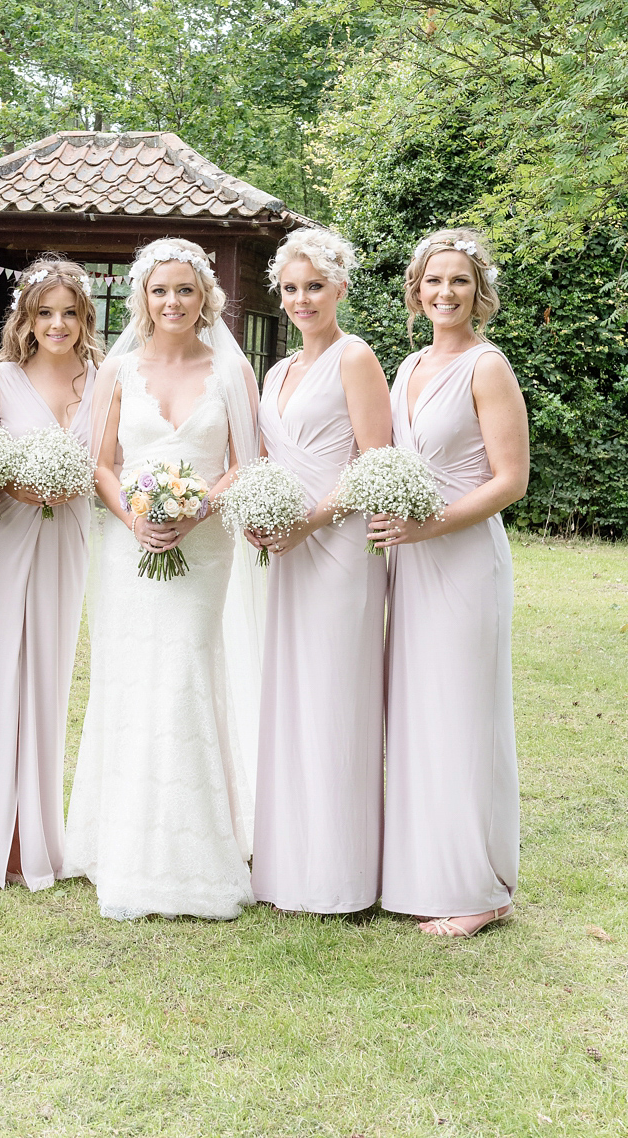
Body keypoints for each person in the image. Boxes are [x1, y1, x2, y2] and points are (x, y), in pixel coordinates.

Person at [62, 238, 263, 921]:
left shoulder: (233, 373)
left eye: (184, 290)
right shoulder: (118, 372)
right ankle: (120, 846)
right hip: (128, 548)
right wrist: (137, 518)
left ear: (205, 296)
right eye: (159, 291)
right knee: (132, 679)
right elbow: (101, 464)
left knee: (184, 676)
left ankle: (196, 853)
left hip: (205, 550)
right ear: (142, 300)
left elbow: (246, 460)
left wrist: (200, 506)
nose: (172, 302)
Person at [369, 229, 529, 938]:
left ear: (478, 291)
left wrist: (432, 527)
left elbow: (511, 481)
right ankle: (422, 870)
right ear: (416, 288)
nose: (445, 293)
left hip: (462, 558)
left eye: (459, 281)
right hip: (409, 558)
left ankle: (480, 888)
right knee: (418, 713)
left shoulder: (486, 367)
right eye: (433, 280)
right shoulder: (408, 367)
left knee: (463, 714)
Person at [250, 227, 392, 914]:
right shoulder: (277, 374)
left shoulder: (354, 357)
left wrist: (307, 522)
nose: (302, 299)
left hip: (338, 550)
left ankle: (341, 877)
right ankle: (289, 866)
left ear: (339, 287)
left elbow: (374, 460)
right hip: (286, 552)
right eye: (291, 288)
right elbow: (268, 463)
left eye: (314, 286)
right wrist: (259, 515)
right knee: (292, 697)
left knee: (336, 698)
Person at [0, 257, 101, 891]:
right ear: (25, 317)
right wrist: (13, 485)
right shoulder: (1, 380)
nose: (57, 324)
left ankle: (39, 832)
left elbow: (113, 465)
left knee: (49, 676)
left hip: (68, 540)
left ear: (85, 319)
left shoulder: (102, 382)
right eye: (45, 312)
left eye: (69, 313)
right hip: (7, 540)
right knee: (1, 673)